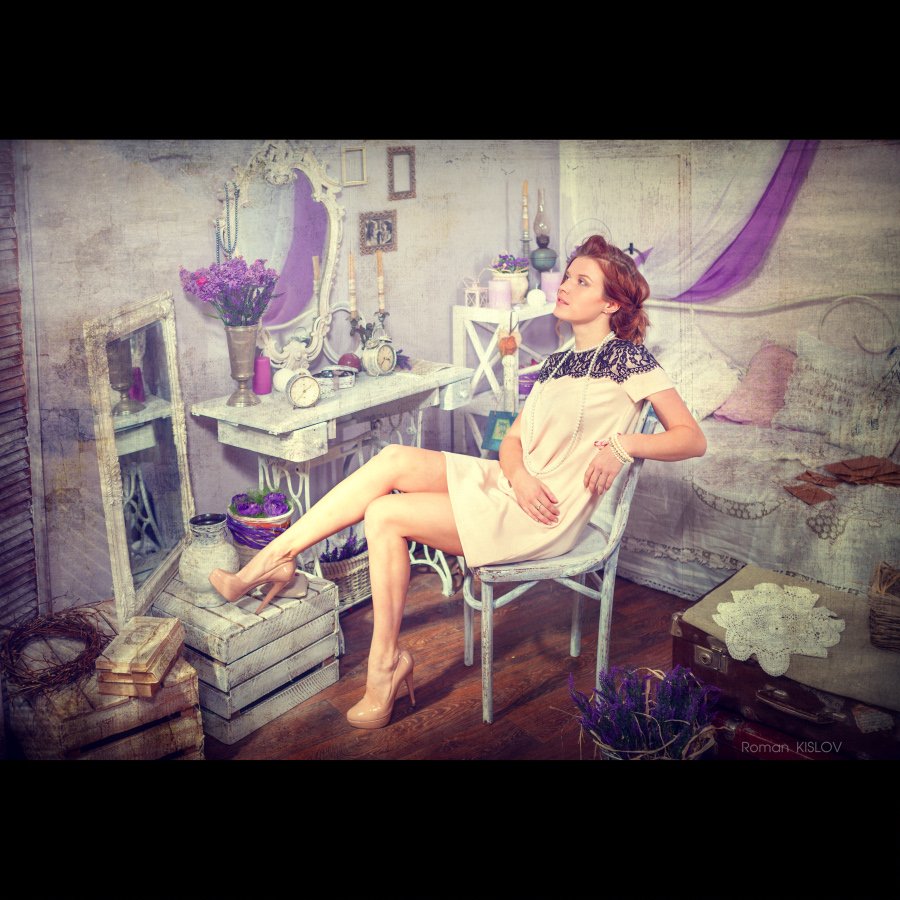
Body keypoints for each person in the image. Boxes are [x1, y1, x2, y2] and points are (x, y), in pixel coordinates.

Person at [209, 235, 707, 730]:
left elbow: (691, 438)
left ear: (611, 303)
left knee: (385, 514)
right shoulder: (557, 362)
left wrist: (623, 445)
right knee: (393, 458)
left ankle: (383, 668)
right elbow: (513, 441)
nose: (565, 286)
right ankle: (274, 560)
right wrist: (519, 475)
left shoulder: (629, 360)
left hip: (545, 513)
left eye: (582, 281)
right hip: (515, 485)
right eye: (569, 275)